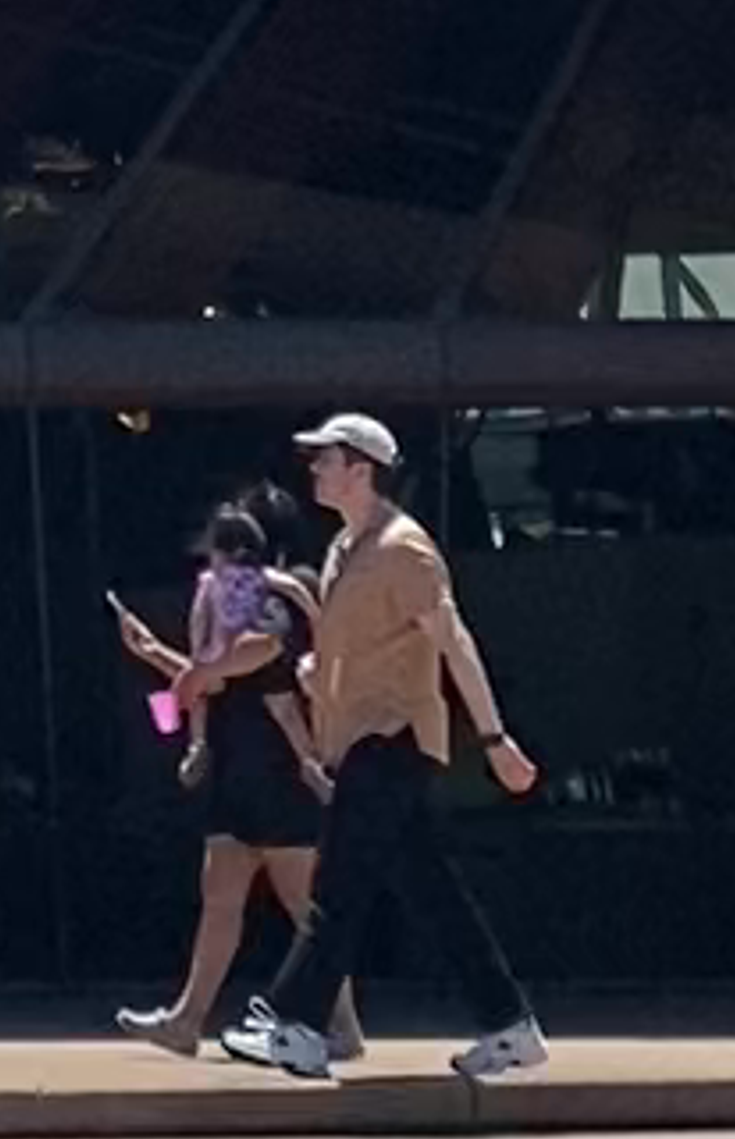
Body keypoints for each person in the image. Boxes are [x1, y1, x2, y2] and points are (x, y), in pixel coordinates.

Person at [224, 417, 549, 1082]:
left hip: (392, 740)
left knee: (337, 884)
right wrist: (320, 675)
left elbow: (452, 641)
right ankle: (510, 1024)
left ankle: (298, 1025)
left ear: (362, 468)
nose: (313, 469)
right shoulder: (348, 547)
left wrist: (493, 737)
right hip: (362, 739)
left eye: (326, 459)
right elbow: (361, 648)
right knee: (433, 893)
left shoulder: (405, 550)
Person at [108, 490, 362, 1063]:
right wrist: (154, 654)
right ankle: (187, 1019)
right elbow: (214, 682)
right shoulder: (220, 606)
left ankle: (343, 1025)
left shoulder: (278, 594)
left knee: (307, 911)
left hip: (281, 776)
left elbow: (258, 653)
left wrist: (200, 668)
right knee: (220, 901)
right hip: (235, 773)